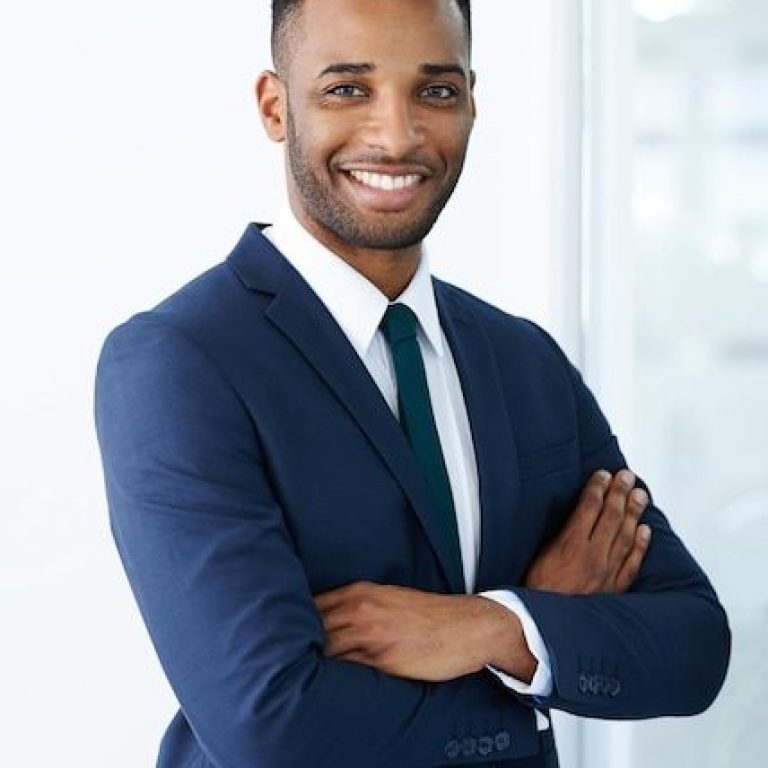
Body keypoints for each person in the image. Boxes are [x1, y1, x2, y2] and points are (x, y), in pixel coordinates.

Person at [94, 1, 730, 766]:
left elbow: (694, 646)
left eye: (434, 91)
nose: (396, 136)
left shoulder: (524, 360)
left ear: (470, 100)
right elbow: (272, 726)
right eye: (347, 89)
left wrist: (493, 626)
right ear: (275, 105)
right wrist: (540, 643)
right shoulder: (179, 361)